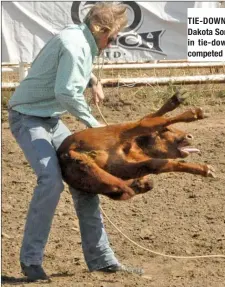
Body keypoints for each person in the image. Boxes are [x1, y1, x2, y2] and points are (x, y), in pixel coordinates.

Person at [8, 2, 143, 281]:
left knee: (87, 179)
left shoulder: (78, 36)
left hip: (50, 119)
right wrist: (94, 125)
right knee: (51, 180)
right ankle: (31, 260)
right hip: (28, 118)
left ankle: (102, 259)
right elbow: (66, 92)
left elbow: (71, 68)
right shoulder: (75, 44)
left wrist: (93, 80)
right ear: (99, 29)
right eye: (112, 34)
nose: (114, 39)